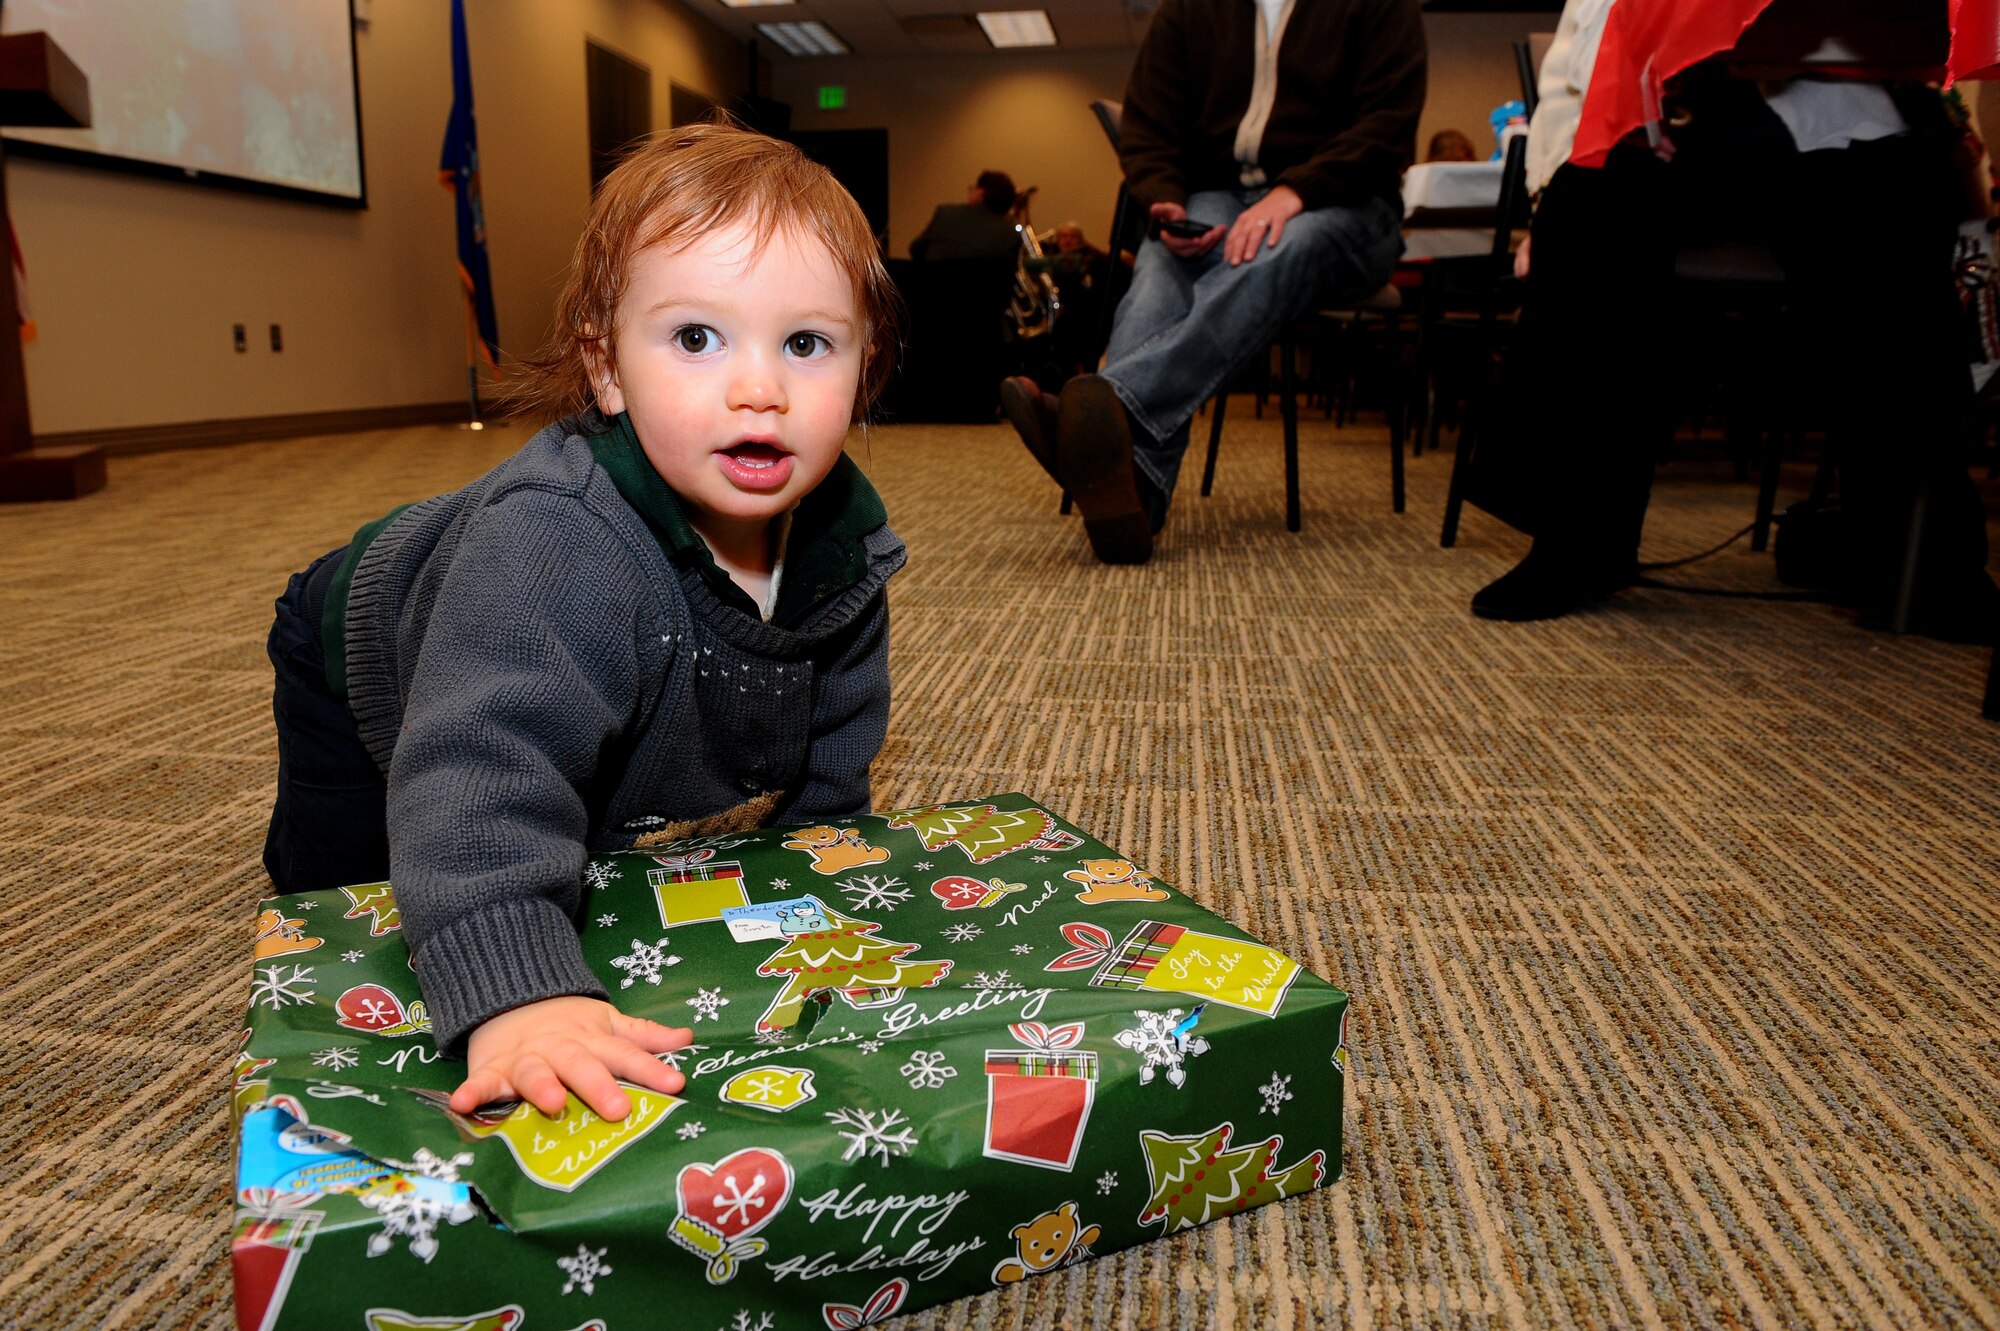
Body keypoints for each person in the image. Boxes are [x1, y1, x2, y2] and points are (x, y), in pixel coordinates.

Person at [261, 122, 906, 1122]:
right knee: (362, 914)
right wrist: (520, 997)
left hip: (562, 635)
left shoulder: (845, 551)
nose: (758, 388)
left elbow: (830, 750)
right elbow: (481, 769)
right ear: (606, 371)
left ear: (863, 373)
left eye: (807, 343)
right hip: (361, 660)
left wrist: (817, 870)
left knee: (603, 809)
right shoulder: (554, 547)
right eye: (696, 338)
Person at [1471, 0, 1996, 641]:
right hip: (1678, 133)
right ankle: (1580, 542)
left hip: (1837, 129)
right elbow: (1574, 69)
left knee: (1900, 213)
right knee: (1585, 204)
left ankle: (1923, 556)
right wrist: (1544, 195)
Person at [999, 0, 1426, 563]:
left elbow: (1388, 126)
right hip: (1217, 196)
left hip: (1347, 202)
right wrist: (1167, 200)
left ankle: (1109, 412)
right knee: (1158, 267)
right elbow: (1149, 126)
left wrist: (1293, 193)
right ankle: (1132, 497)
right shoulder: (1187, 11)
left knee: (1278, 245)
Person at [909, 169, 1022, 262]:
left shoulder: (945, 213)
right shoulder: (1010, 236)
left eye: (973, 188)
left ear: (980, 193)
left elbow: (916, 249)